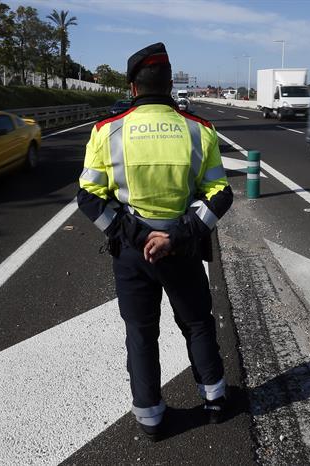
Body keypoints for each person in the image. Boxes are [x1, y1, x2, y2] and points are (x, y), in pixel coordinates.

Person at [77, 42, 234, 440]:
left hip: (132, 252)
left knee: (141, 333)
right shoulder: (199, 130)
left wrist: (136, 235)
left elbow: (88, 197)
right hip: (181, 249)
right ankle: (215, 400)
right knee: (198, 324)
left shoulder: (106, 131)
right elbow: (220, 194)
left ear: (132, 87)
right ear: (168, 84)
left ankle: (150, 418)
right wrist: (176, 236)